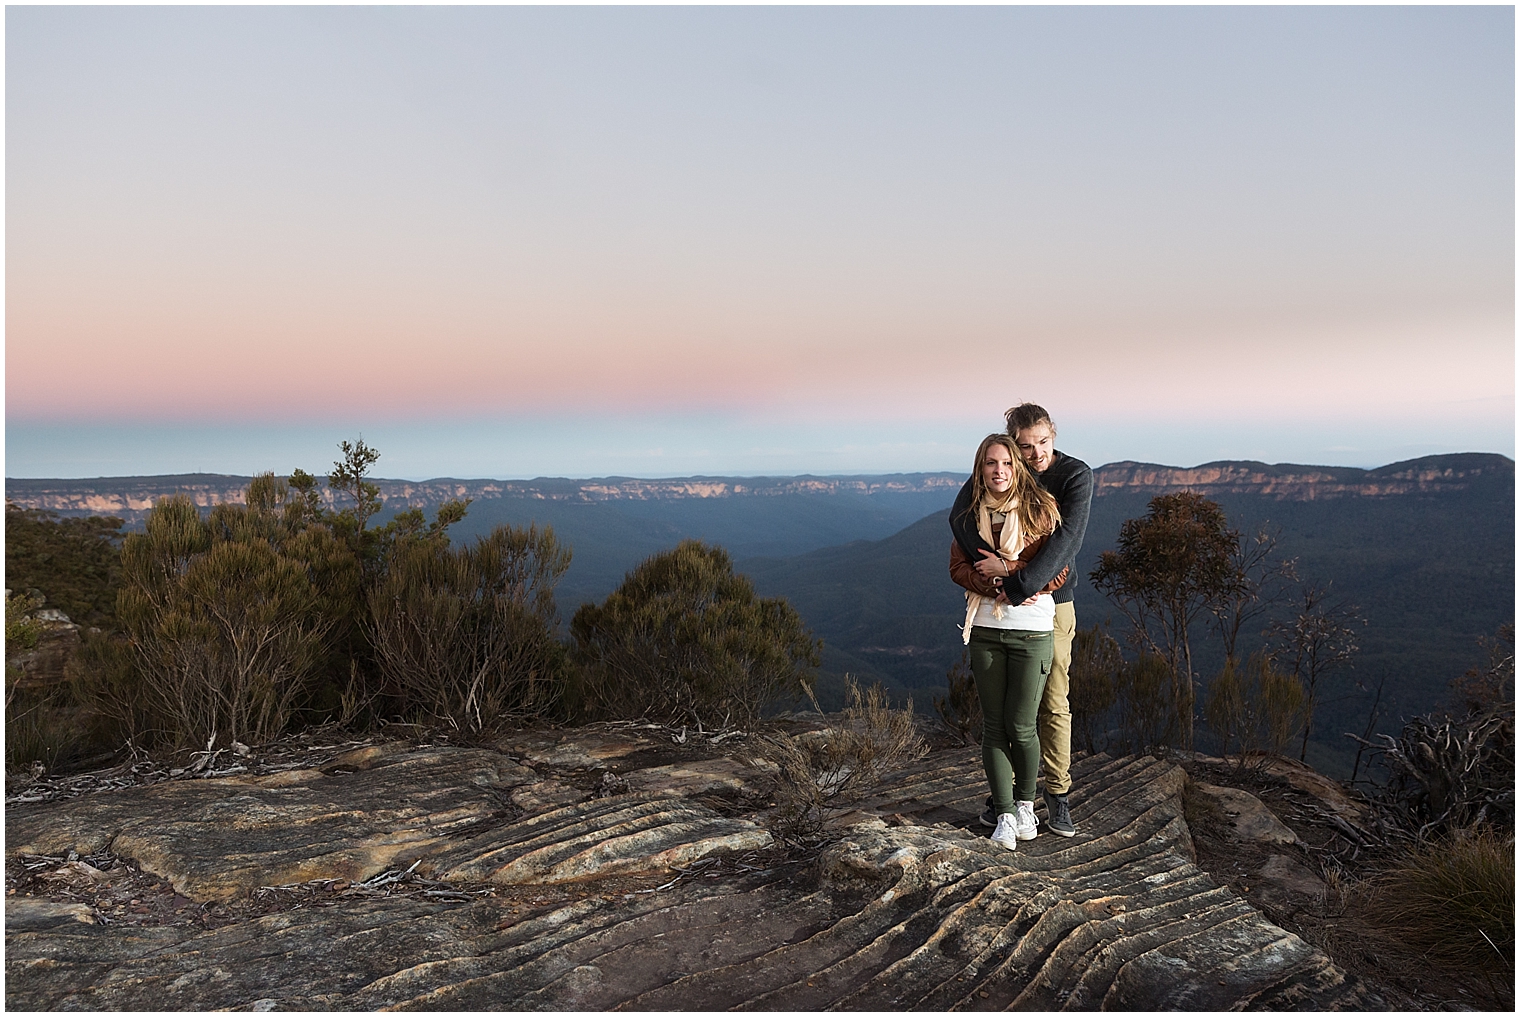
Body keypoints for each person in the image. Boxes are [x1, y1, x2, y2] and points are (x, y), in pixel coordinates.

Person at [949, 403, 1092, 838]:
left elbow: (1066, 544)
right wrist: (982, 569)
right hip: (994, 610)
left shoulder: (1072, 476)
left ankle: (1058, 795)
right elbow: (959, 520)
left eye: (1043, 443)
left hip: (1052, 603)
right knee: (1009, 711)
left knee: (1050, 701)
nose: (1036, 455)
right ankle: (1007, 797)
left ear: (1054, 436)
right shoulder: (1001, 468)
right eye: (1024, 447)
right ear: (1012, 442)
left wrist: (1013, 581)